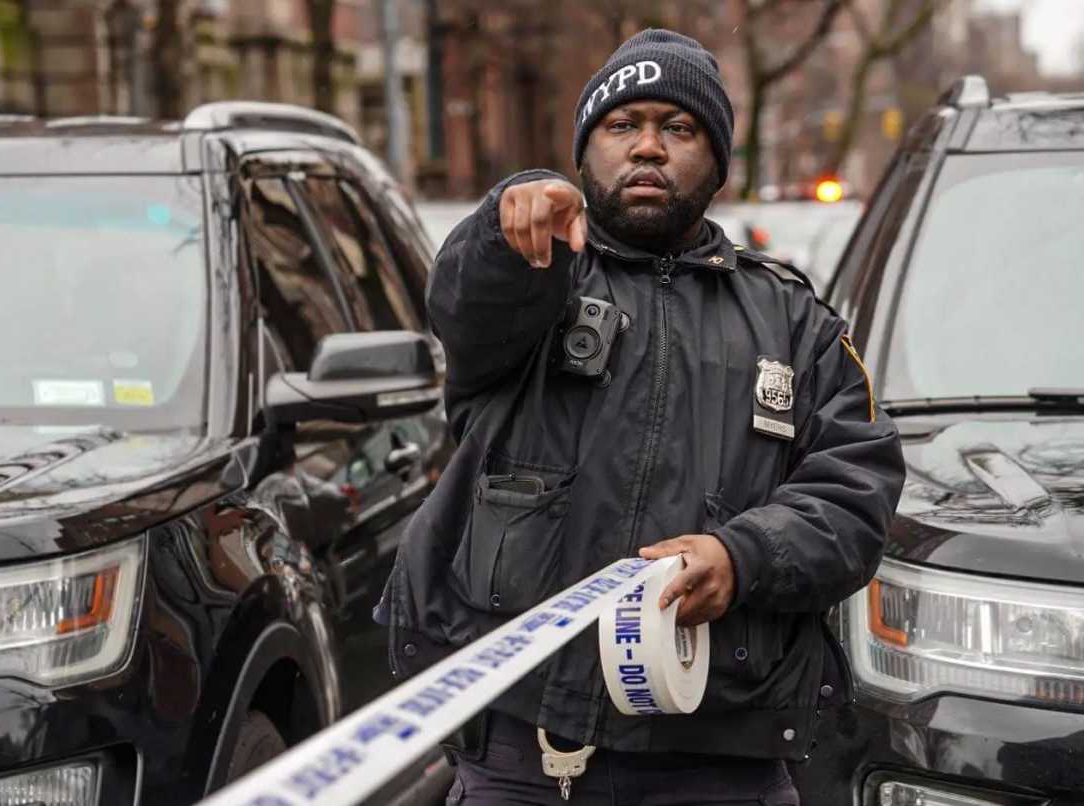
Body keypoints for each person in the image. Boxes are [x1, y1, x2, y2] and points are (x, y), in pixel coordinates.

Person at [375, 28, 905, 805]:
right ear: (587, 153)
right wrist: (507, 217)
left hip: (723, 764)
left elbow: (857, 491)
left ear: (717, 160)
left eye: (678, 128)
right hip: (525, 760)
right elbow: (467, 304)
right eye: (622, 126)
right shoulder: (537, 271)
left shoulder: (792, 319)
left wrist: (742, 556)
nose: (649, 147)